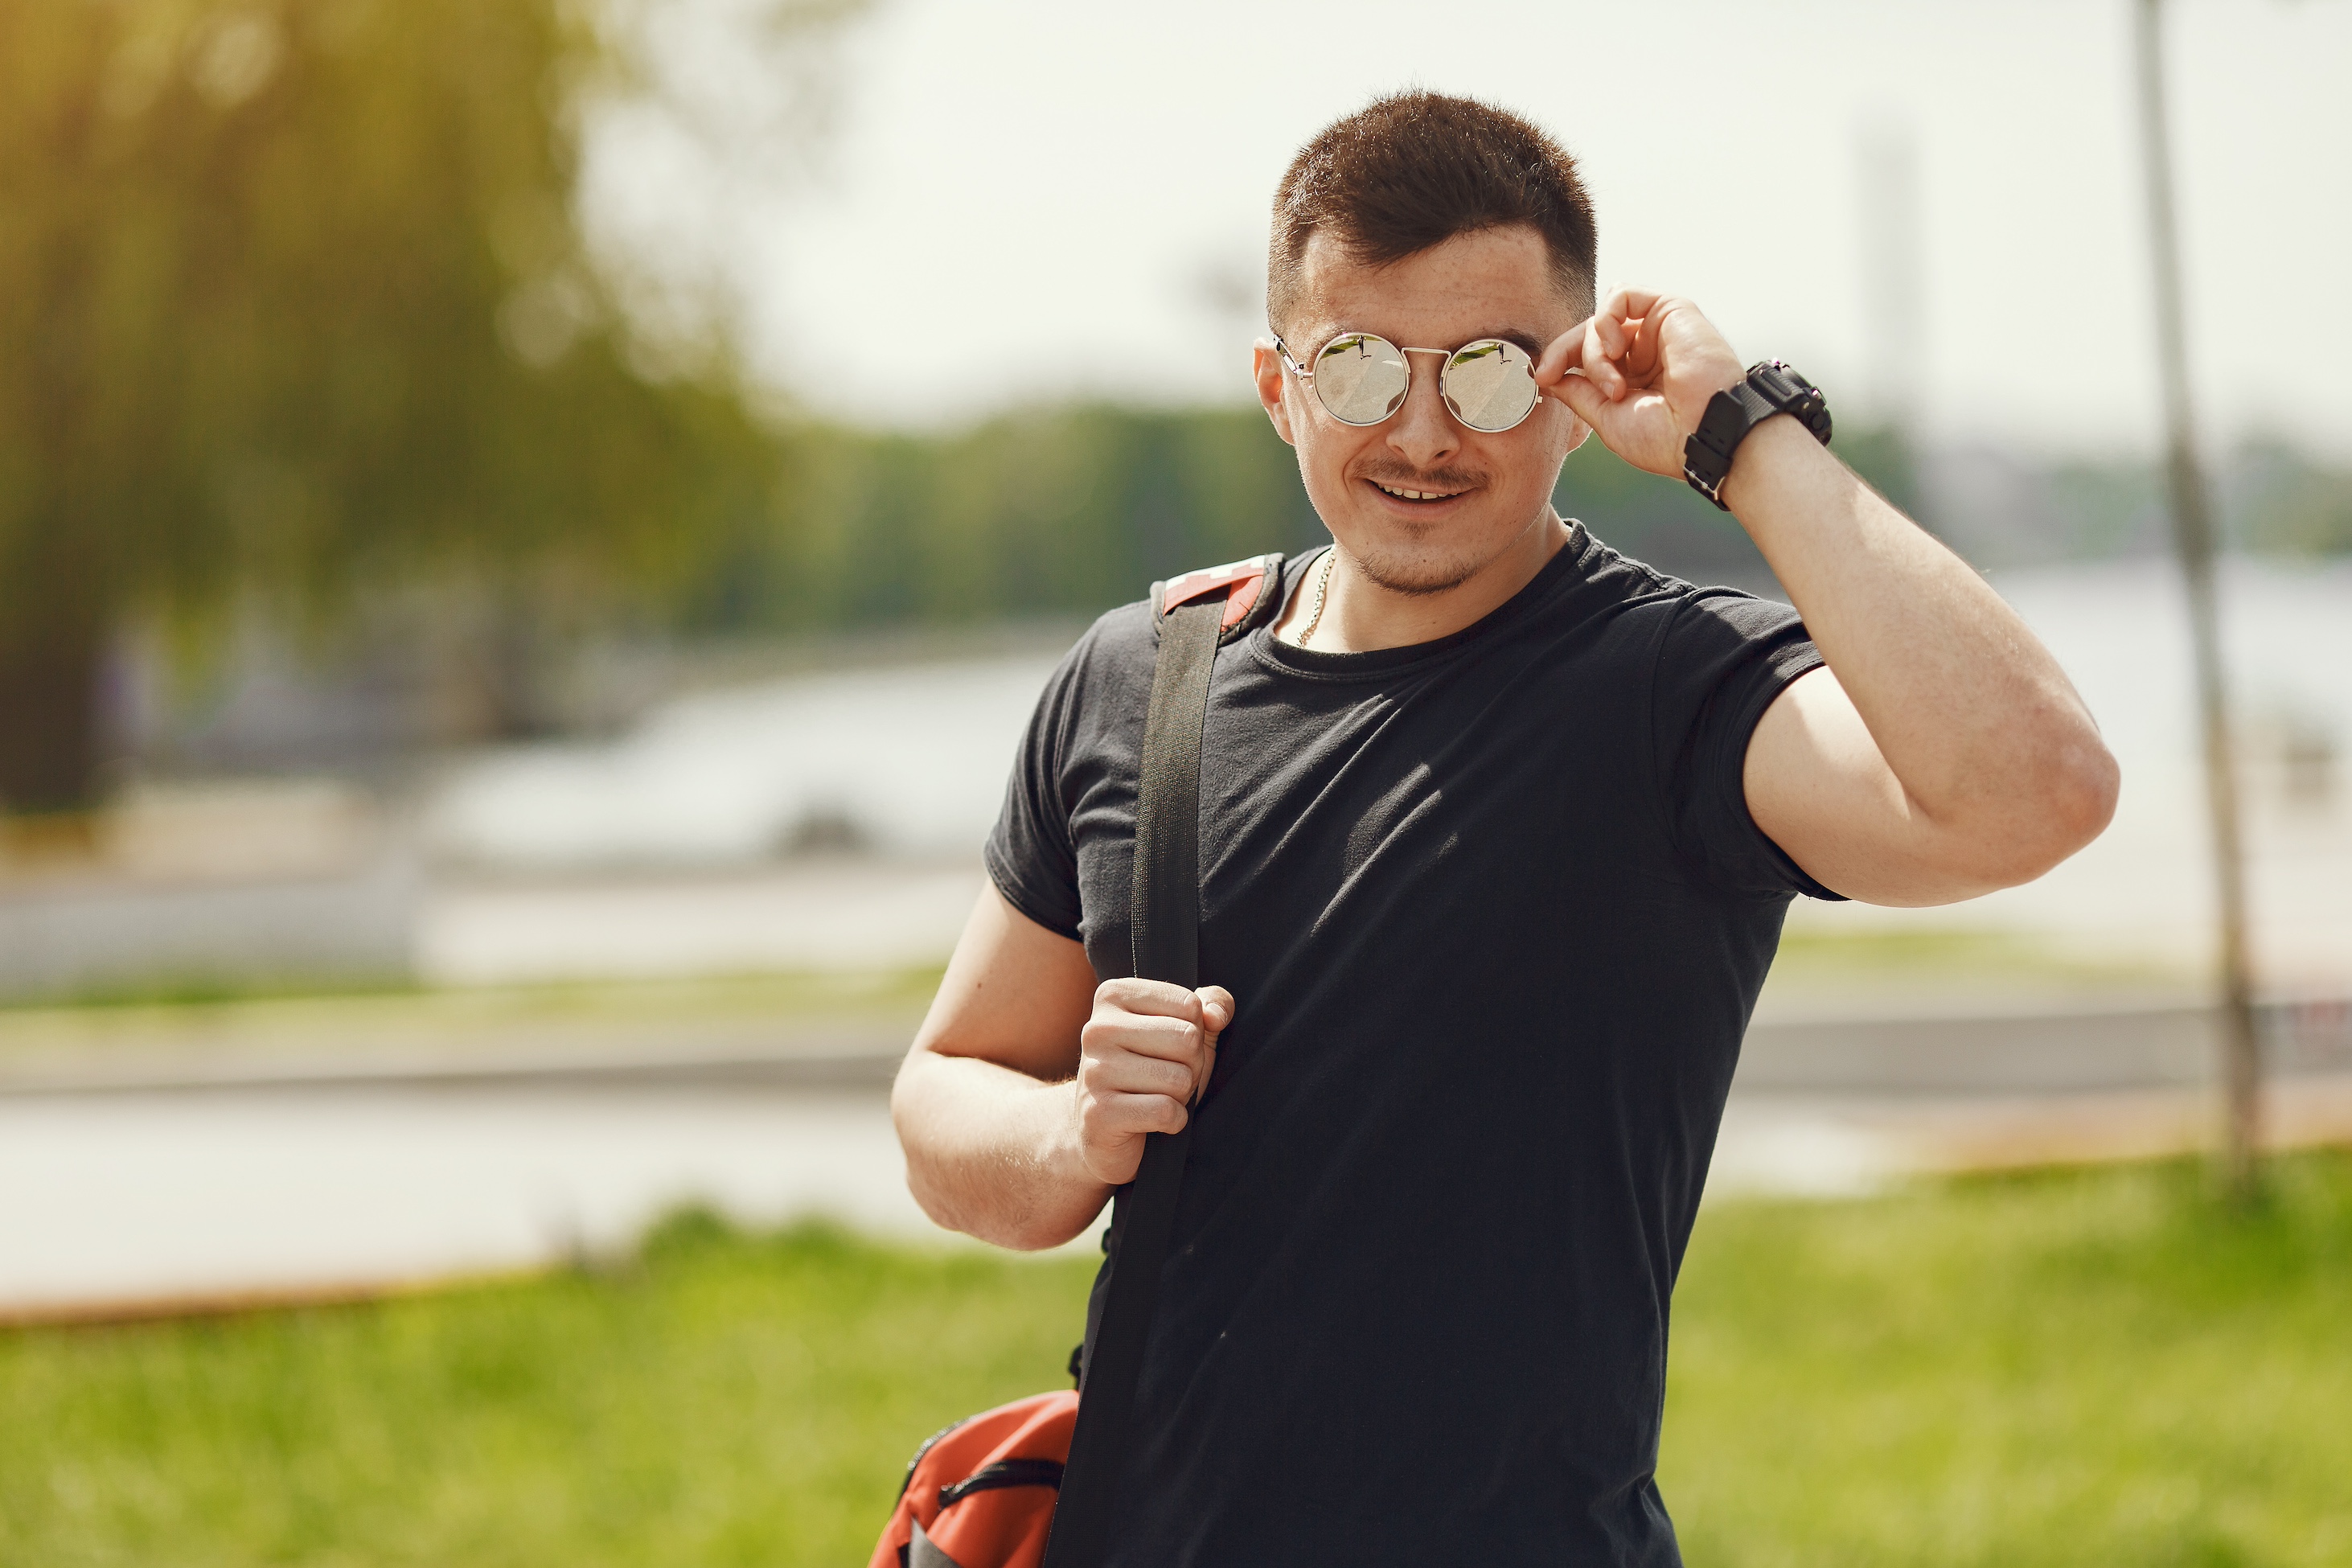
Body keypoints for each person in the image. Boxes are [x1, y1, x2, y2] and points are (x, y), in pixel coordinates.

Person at [890, 91, 2117, 1563]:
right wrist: (1074, 1128)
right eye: (1357, 368)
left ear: (1571, 391)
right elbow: (943, 1099)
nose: (1419, 431)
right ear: (1279, 386)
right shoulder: (1139, 678)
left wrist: (1741, 435)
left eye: (1483, 373)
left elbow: (2036, 789)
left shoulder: (1670, 692)